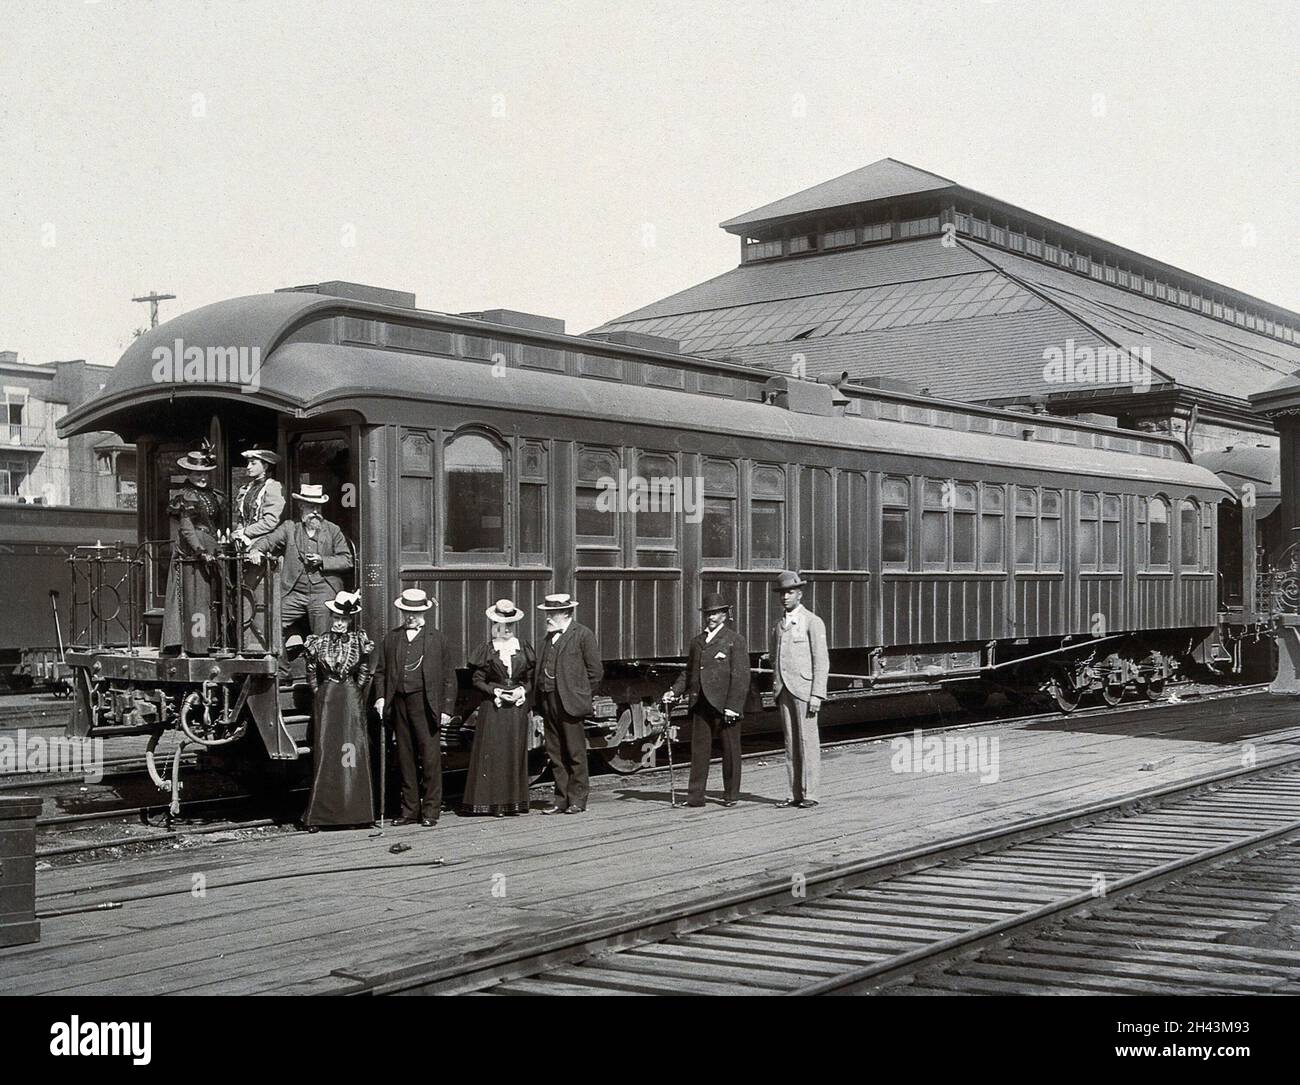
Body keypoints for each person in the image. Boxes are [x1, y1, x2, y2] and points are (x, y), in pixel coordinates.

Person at [371, 588, 458, 827]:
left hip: (425, 704)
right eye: (407, 611)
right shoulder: (392, 638)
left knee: (430, 758)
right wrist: (380, 698)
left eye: (415, 612)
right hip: (399, 702)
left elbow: (449, 677)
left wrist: (446, 710)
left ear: (424, 612)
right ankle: (409, 811)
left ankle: (430, 812)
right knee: (405, 757)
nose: (410, 616)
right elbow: (380, 673)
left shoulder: (437, 638)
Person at [663, 592, 751, 808]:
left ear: (724, 614)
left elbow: (740, 677)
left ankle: (730, 795)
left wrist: (733, 707)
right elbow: (689, 672)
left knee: (730, 750)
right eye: (708, 613)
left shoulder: (734, 640)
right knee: (699, 751)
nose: (711, 617)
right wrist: (674, 692)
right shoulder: (697, 642)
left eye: (715, 613)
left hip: (724, 705)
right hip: (700, 702)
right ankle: (695, 797)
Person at [300, 590, 375, 831]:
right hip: (328, 698)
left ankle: (355, 812)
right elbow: (311, 669)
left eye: (344, 619)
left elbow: (364, 668)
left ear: (350, 620)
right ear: (331, 618)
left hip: (350, 699)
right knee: (327, 752)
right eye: (336, 618)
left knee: (351, 750)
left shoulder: (358, 640)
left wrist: (355, 689)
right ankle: (321, 816)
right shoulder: (319, 641)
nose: (340, 623)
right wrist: (319, 691)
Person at [249, 482, 353, 651]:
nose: (315, 513)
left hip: (323, 592)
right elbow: (269, 540)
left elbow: (347, 560)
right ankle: (284, 674)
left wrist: (322, 560)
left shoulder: (333, 530)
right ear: (301, 507)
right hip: (295, 592)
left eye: (318, 508)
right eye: (311, 508)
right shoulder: (290, 528)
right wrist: (256, 549)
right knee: (270, 622)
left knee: (323, 638)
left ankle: (319, 675)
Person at [461, 600, 535, 817]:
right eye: (502, 624)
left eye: (510, 624)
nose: (506, 628)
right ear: (494, 624)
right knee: (494, 753)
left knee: (513, 751)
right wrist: (495, 692)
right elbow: (477, 679)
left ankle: (512, 803)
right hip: (494, 707)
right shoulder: (487, 649)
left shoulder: (524, 648)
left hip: (516, 709)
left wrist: (522, 692)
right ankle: (493, 804)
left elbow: (531, 679)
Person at [535, 593, 603, 815]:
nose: (547, 617)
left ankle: (577, 800)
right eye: (547, 613)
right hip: (548, 700)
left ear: (565, 613)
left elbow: (595, 672)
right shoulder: (548, 639)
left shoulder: (583, 635)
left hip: (570, 703)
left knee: (575, 753)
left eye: (551, 613)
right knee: (555, 752)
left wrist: (579, 695)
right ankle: (560, 799)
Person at [769, 571, 829, 809]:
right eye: (782, 593)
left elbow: (821, 660)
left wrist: (817, 694)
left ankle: (810, 793)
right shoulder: (779, 625)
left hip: (804, 690)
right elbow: (774, 656)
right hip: (784, 688)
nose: (785, 597)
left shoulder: (812, 622)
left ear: (800, 594)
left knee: (808, 741)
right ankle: (794, 792)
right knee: (790, 741)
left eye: (790, 592)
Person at [161, 444, 226, 656]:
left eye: (205, 473)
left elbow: (219, 523)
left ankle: (214, 640)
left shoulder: (213, 495)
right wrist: (200, 551)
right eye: (198, 474)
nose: (203, 478)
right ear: (189, 473)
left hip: (212, 548)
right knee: (196, 598)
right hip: (193, 553)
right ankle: (196, 645)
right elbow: (186, 528)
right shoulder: (185, 496)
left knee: (212, 598)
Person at [232, 449, 285, 546]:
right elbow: (242, 518)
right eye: (248, 463)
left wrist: (245, 532)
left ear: (265, 466)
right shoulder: (247, 488)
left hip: (265, 542)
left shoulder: (273, 487)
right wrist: (239, 533)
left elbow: (270, 522)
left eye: (253, 463)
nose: (248, 467)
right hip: (245, 541)